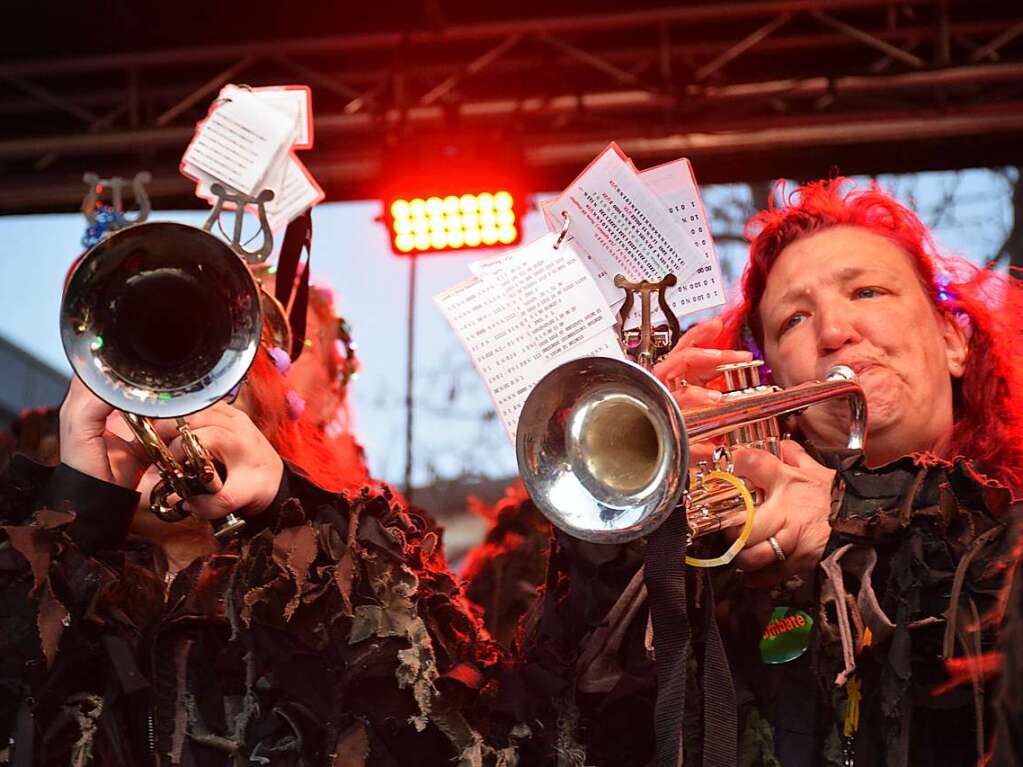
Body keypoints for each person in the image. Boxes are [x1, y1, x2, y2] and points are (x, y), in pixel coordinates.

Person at [645, 178, 1023, 765]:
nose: (832, 332)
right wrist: (646, 519)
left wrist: (852, 515)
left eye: (868, 292)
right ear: (773, 384)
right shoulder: (742, 556)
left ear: (954, 341)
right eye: (794, 320)